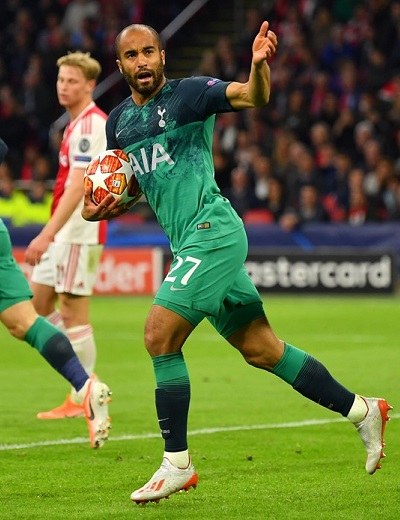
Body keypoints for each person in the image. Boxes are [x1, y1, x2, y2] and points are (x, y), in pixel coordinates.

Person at [81, 22, 392, 504]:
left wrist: (258, 67)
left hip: (213, 233)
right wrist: (105, 205)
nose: (142, 62)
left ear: (163, 56)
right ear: (119, 64)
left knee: (159, 336)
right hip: (189, 242)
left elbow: (252, 96)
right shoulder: (117, 123)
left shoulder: (189, 96)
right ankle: (362, 410)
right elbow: (130, 182)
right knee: (262, 349)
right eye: (131, 55)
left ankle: (177, 464)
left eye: (149, 52)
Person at [0, 137, 111, 449]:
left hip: (77, 234)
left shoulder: (90, 125)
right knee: (24, 322)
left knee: (65, 311)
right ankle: (86, 387)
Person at [25, 51, 108, 419]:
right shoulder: (75, 124)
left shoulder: (91, 126)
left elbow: (77, 186)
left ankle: (82, 394)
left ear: (89, 85)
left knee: (74, 314)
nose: (64, 86)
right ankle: (88, 381)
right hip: (65, 234)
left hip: (79, 232)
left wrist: (46, 234)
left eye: (72, 81)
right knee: (37, 306)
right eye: (61, 79)